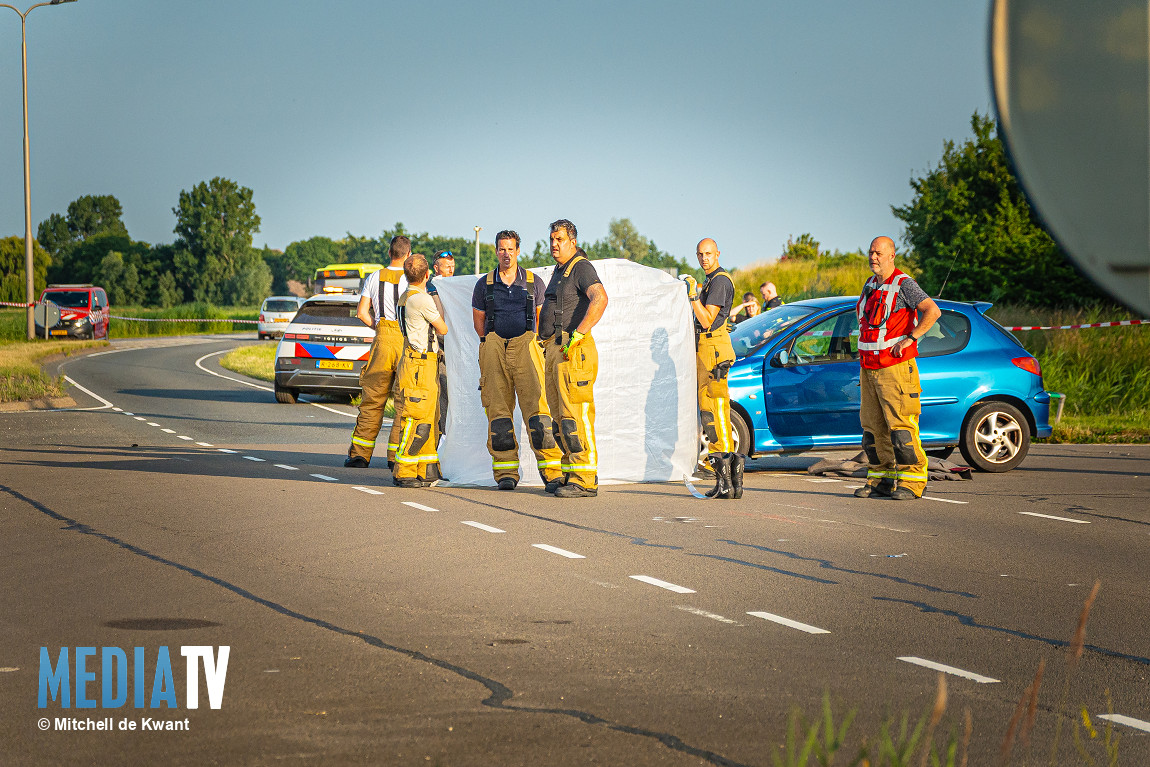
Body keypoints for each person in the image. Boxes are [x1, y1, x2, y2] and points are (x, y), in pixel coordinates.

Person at [472, 230, 564, 491]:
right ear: (496, 251)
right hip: (493, 349)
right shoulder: (484, 284)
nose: (506, 254)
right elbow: (478, 321)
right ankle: (506, 474)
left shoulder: (534, 282)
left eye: (510, 249)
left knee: (538, 416)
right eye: (502, 249)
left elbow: (540, 318)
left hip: (527, 348)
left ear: (518, 251)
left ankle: (552, 472)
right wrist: (490, 342)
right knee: (499, 417)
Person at [854, 236, 941, 501]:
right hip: (869, 369)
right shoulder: (870, 284)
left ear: (892, 255)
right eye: (871, 252)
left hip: (896, 368)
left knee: (901, 429)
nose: (873, 257)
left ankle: (912, 482)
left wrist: (911, 338)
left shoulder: (905, 284)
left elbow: (932, 311)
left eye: (879, 253)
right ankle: (881, 479)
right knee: (872, 430)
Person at [538, 219, 608, 498]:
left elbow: (600, 298)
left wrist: (579, 334)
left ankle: (585, 478)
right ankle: (570, 472)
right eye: (552, 239)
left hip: (573, 351)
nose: (554, 244)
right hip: (556, 351)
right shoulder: (560, 269)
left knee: (576, 415)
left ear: (573, 241)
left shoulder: (581, 267)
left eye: (560, 239)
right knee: (560, 417)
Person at [683, 238, 743, 499]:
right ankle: (729, 484)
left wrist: (693, 295)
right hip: (708, 349)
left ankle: (727, 484)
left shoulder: (719, 280)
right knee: (712, 415)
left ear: (718, 254)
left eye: (708, 254)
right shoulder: (712, 280)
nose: (704, 258)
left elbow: (707, 320)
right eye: (700, 254)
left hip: (713, 349)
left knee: (716, 415)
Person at [345, 236, 410, 468]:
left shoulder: (374, 277)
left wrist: (379, 326)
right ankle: (395, 458)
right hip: (405, 340)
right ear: (408, 255)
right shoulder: (411, 278)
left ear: (389, 252)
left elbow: (362, 312)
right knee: (403, 402)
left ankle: (360, 455)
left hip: (382, 339)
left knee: (372, 399)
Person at [392, 253, 449, 488]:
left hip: (415, 361)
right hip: (420, 363)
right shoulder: (422, 300)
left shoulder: (405, 297)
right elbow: (442, 328)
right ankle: (403, 470)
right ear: (427, 275)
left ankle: (426, 468)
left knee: (428, 417)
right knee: (416, 418)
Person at [428, 251, 452, 442]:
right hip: (439, 349)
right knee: (441, 395)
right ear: (436, 268)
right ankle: (440, 438)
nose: (451, 270)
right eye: (446, 266)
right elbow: (441, 324)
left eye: (452, 266)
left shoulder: (451, 286)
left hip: (447, 348)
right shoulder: (433, 288)